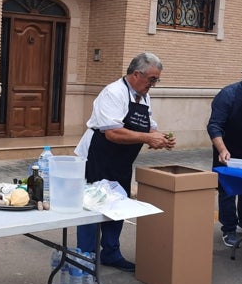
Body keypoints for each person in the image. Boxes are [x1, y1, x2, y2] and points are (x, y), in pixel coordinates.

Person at [74, 52, 175, 272]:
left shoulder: (143, 95)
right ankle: (85, 257)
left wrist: (160, 137)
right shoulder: (113, 93)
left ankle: (111, 252)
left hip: (121, 160)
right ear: (137, 74)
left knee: (119, 203)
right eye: (152, 79)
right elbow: (112, 132)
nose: (154, 84)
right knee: (92, 204)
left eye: (156, 80)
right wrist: (148, 138)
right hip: (98, 155)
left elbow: (147, 124)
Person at [206, 65, 242, 247]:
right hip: (227, 150)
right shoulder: (228, 95)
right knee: (227, 190)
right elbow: (214, 126)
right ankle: (229, 229)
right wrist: (222, 149)